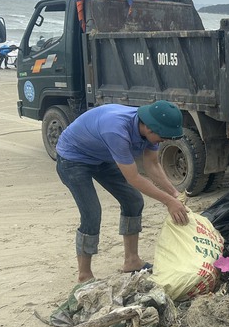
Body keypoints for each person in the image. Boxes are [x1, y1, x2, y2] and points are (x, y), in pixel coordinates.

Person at [56, 100, 190, 282]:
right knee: (91, 213)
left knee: (133, 201)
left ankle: (132, 261)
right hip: (73, 158)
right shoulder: (117, 130)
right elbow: (133, 178)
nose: (164, 141)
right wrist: (168, 201)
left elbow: (152, 165)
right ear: (149, 128)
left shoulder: (149, 126)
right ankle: (84, 276)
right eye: (163, 137)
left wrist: (174, 194)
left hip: (101, 156)